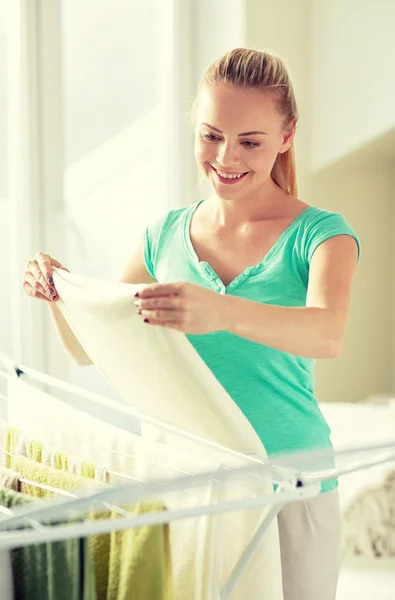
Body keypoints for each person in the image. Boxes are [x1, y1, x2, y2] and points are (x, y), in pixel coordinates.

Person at [22, 48, 360, 599]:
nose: (226, 156)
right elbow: (90, 349)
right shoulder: (163, 236)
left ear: (287, 135)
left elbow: (327, 333)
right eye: (211, 135)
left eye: (250, 141)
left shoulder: (322, 234)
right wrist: (59, 292)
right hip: (191, 484)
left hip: (292, 481)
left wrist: (219, 310)